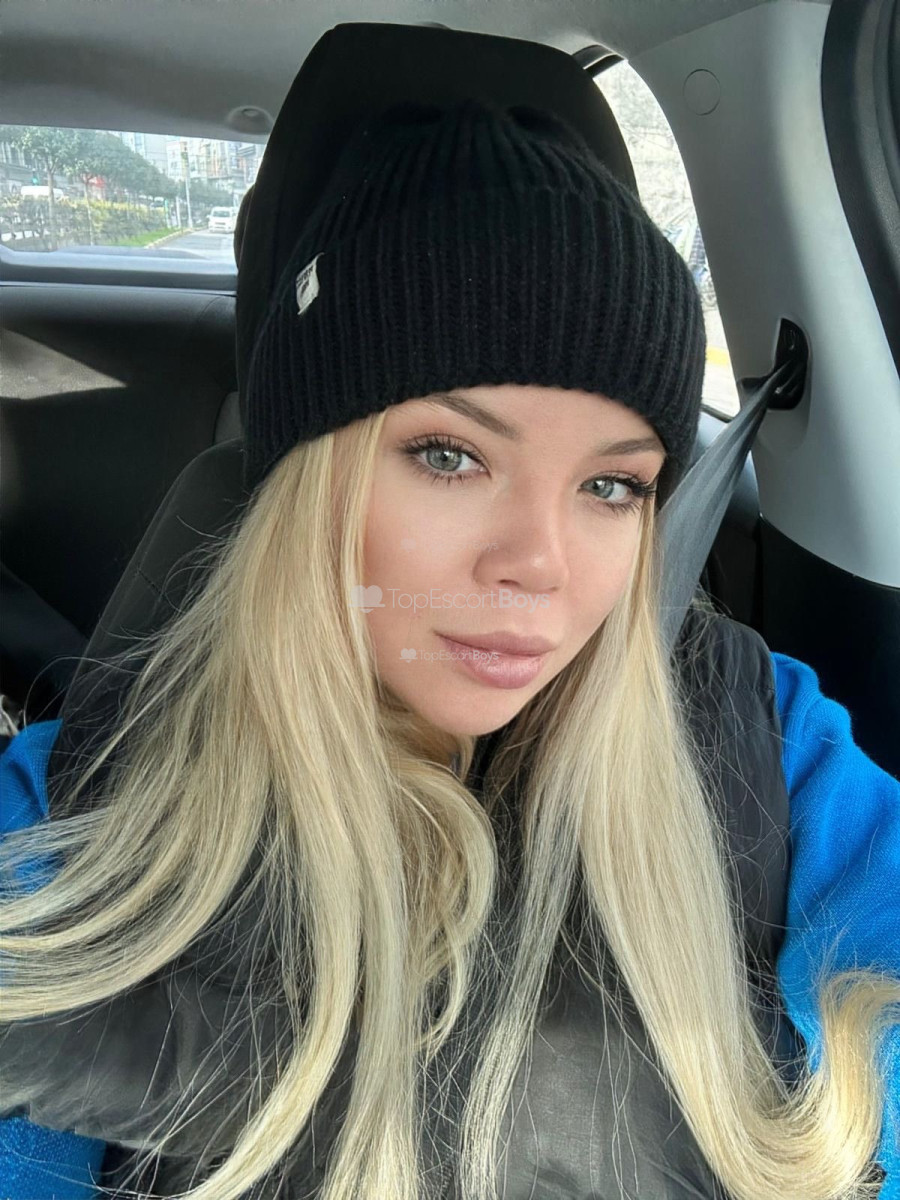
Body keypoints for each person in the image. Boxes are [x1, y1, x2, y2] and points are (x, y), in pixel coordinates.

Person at [1, 97, 898, 1200]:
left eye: (612, 486)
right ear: (311, 479)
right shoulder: (78, 807)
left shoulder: (768, 738)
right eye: (449, 456)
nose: (540, 563)